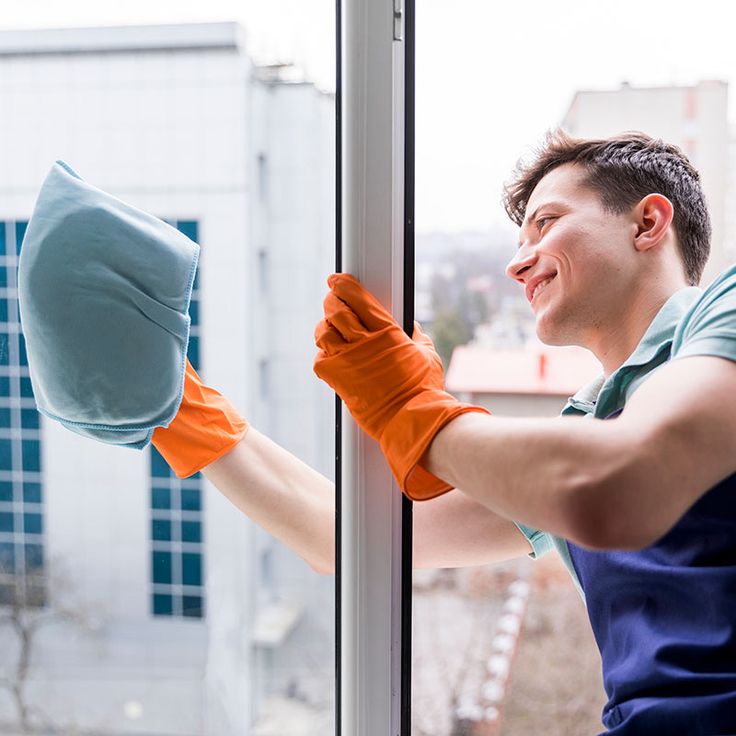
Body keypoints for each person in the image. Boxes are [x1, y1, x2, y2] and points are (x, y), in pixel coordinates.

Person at [150, 130, 736, 734]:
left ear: (648, 222)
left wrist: (412, 409)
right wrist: (181, 408)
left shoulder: (728, 310)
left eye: (547, 222)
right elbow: (341, 539)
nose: (516, 263)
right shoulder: (587, 432)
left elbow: (623, 478)